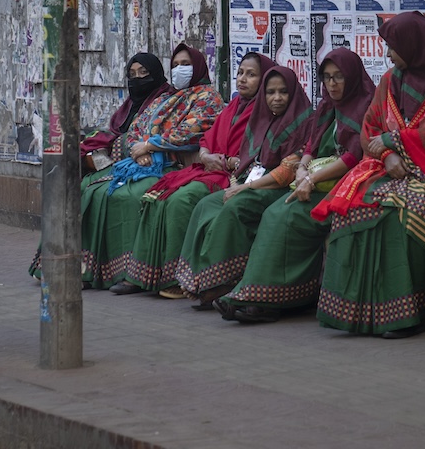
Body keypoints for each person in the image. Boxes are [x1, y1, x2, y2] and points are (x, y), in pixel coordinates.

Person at [311, 11, 425, 339]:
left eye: (393, 47)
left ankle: (406, 313)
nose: (388, 55)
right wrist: (386, 155)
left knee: (408, 211)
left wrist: (394, 140)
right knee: (353, 206)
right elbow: (369, 129)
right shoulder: (392, 80)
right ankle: (358, 312)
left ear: (414, 46)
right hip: (389, 167)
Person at [213, 48, 376, 323]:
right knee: (276, 213)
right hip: (314, 181)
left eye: (339, 77)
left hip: (344, 184)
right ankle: (253, 293)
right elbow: (311, 145)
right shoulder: (326, 106)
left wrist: (310, 178)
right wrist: (303, 168)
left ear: (352, 77)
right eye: (327, 77)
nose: (332, 84)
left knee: (282, 217)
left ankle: (271, 298)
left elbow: (352, 156)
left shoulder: (365, 106)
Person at [117, 51, 274, 296]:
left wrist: (225, 162)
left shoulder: (263, 111)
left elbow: (257, 155)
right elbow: (207, 140)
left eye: (251, 75)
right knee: (157, 194)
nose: (242, 79)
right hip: (206, 168)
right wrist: (205, 155)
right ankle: (147, 274)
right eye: (241, 73)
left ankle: (176, 279)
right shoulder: (233, 106)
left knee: (181, 201)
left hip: (232, 176)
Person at [81, 43, 225, 290]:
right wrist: (139, 151)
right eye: (176, 65)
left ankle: (135, 271)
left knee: (132, 196)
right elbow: (137, 126)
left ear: (199, 66)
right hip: (144, 162)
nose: (180, 70)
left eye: (186, 65)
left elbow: (192, 130)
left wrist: (151, 146)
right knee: (97, 189)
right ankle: (91, 269)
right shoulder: (169, 97)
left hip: (177, 165)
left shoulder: (208, 97)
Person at [174, 65, 313, 307]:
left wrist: (245, 188)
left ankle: (222, 281)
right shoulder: (262, 119)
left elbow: (287, 171)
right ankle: (197, 278)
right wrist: (237, 182)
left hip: (277, 187)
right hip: (251, 181)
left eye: (283, 92)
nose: (276, 98)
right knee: (205, 205)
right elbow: (247, 160)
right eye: (270, 92)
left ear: (293, 94)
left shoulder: (304, 121)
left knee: (235, 207)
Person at [28, 52, 172, 279]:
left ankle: (93, 269)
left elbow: (156, 137)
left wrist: (139, 148)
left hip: (151, 165)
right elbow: (113, 132)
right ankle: (57, 260)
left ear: (156, 74)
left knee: (100, 193)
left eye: (144, 74)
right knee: (80, 189)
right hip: (121, 163)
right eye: (132, 75)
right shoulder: (128, 106)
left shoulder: (167, 101)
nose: (138, 80)